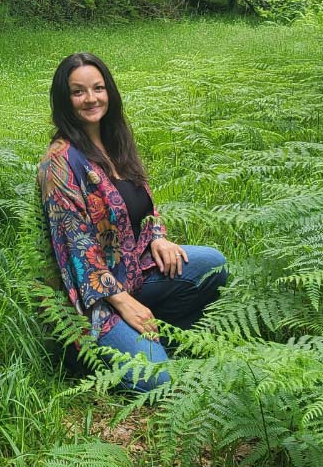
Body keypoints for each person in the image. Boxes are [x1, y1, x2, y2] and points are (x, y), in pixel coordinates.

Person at [37, 52, 228, 392]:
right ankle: (102, 353)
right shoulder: (60, 163)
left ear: (109, 90)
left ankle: (159, 338)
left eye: (98, 88)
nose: (91, 98)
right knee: (159, 382)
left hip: (135, 272)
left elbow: (144, 205)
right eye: (78, 91)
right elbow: (78, 250)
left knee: (213, 265)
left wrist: (157, 236)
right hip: (96, 302)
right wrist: (124, 302)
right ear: (64, 99)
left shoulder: (115, 140)